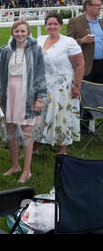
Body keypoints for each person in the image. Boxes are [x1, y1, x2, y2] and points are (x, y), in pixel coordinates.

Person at [0, 20, 47, 183]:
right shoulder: (6, 51)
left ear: (28, 32)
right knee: (10, 128)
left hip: (28, 93)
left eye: (23, 31)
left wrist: (39, 97)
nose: (20, 34)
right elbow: (1, 75)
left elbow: (40, 74)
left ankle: (27, 170)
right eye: (17, 31)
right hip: (9, 92)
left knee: (27, 131)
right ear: (12, 32)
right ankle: (15, 165)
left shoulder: (36, 50)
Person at [34, 11, 84, 155]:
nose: (52, 26)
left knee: (61, 117)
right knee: (40, 117)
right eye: (49, 24)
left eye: (55, 24)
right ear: (45, 26)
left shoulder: (69, 42)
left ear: (61, 26)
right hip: (44, 85)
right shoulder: (40, 40)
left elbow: (80, 65)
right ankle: (34, 149)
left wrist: (77, 86)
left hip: (63, 87)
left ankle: (62, 152)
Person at [66, 0, 103, 83]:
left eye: (100, 5)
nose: (100, 7)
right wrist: (82, 41)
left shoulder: (101, 22)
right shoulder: (75, 22)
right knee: (86, 94)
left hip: (102, 65)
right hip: (86, 67)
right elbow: (67, 43)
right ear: (87, 7)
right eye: (97, 5)